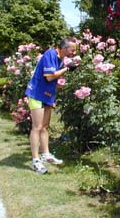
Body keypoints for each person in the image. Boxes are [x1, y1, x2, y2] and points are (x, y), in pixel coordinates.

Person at [25, 37, 77, 174]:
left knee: (44, 126)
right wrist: (67, 68)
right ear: (65, 48)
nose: (73, 52)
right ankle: (35, 161)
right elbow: (49, 76)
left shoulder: (60, 59)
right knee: (36, 127)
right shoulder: (50, 54)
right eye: (72, 49)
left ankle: (45, 154)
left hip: (47, 95)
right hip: (36, 93)